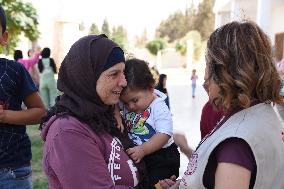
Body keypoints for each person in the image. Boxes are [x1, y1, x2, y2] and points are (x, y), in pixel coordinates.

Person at [159, 21, 284, 189]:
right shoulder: (265, 113)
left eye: (208, 65)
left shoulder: (237, 141)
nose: (205, 79)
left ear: (224, 71)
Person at [40, 34, 149, 189]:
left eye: (123, 72)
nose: (124, 82)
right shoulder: (68, 133)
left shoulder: (103, 116)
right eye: (114, 74)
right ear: (87, 76)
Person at [0, 6, 46, 189]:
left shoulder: (14, 71)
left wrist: (5, 116)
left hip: (13, 171)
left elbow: (40, 112)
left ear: (4, 37)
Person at [119, 58, 180, 188]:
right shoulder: (129, 102)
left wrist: (143, 149)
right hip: (142, 155)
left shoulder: (158, 106)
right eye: (125, 103)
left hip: (162, 156)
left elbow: (164, 134)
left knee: (156, 183)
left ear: (151, 88)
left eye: (134, 100)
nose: (130, 106)